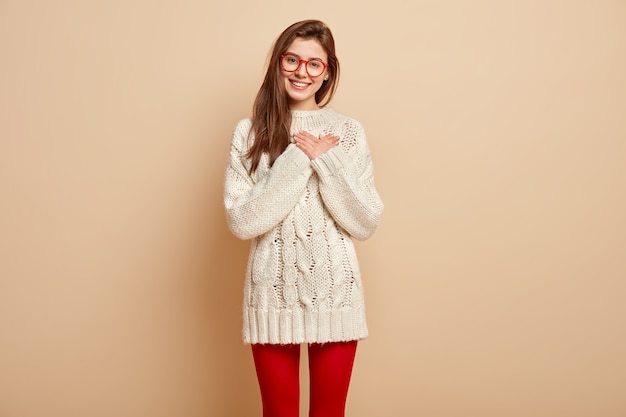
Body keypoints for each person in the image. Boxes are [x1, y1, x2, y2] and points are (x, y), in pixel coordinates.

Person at [223, 19, 384, 417]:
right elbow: (243, 221)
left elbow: (364, 222)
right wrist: (298, 159)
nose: (301, 71)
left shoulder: (347, 132)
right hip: (271, 298)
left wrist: (326, 161)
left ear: (327, 71)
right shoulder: (250, 133)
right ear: (278, 63)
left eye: (315, 64)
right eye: (292, 59)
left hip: (337, 297)